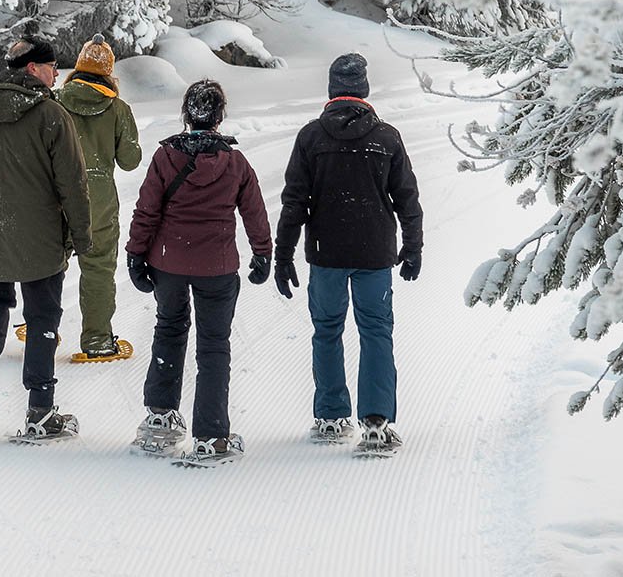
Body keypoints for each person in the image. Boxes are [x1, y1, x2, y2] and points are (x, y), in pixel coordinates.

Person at [0, 36, 92, 445]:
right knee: (42, 317)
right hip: (42, 236)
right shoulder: (51, 115)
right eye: (50, 66)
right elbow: (73, 184)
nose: (56, 73)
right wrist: (82, 234)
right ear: (32, 69)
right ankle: (41, 411)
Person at [273, 53, 423, 454]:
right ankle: (376, 422)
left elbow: (294, 202)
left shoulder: (311, 137)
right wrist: (412, 246)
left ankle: (330, 416)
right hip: (375, 253)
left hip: (326, 253)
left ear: (331, 90)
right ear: (364, 90)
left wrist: (283, 254)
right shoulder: (387, 137)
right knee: (376, 331)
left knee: (327, 331)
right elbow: (407, 198)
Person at [125, 79, 272, 464]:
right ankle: (210, 434)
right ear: (219, 116)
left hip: (168, 263)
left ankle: (159, 418)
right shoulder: (235, 162)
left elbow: (147, 210)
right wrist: (262, 253)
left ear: (187, 114)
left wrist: (136, 254)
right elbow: (254, 212)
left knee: (169, 331)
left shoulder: (165, 158)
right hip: (217, 268)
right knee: (213, 345)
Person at [54, 33, 142, 360]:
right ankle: (98, 342)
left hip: (57, 197)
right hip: (99, 204)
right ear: (108, 72)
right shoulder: (118, 109)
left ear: (77, 68)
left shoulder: (55, 102)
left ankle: (39, 330)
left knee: (48, 265)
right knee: (99, 270)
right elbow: (130, 161)